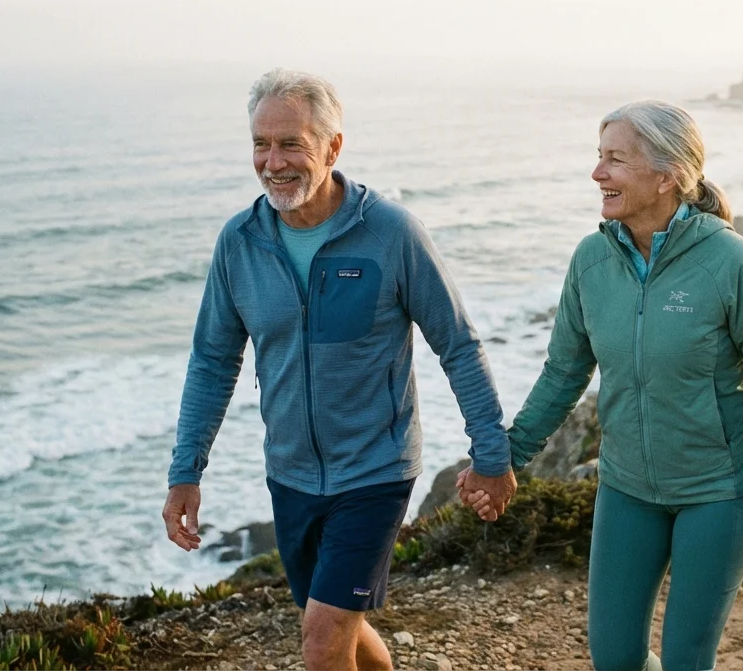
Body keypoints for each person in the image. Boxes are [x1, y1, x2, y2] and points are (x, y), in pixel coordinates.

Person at [162, 68, 517, 671]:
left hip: (375, 469)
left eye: (291, 144)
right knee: (333, 626)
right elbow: (213, 361)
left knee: (322, 640)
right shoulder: (240, 243)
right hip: (292, 474)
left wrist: (492, 452)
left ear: (332, 147)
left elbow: (456, 342)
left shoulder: (390, 233)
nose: (273, 162)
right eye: (260, 144)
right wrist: (185, 471)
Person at [463, 100, 743, 671]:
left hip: (720, 490)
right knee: (616, 657)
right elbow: (563, 373)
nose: (597, 173)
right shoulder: (591, 260)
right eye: (598, 158)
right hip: (627, 486)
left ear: (667, 175)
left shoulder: (732, 263)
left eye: (616, 160)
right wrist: (504, 459)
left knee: (685, 659)